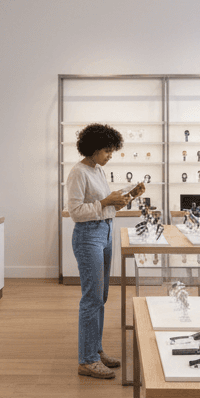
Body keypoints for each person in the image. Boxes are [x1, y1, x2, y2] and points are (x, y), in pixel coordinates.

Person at [65, 123, 145, 379]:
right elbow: (76, 213)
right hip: (88, 235)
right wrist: (106, 201)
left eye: (112, 150)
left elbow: (104, 207)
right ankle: (86, 360)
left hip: (105, 232)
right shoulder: (78, 172)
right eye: (108, 150)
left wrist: (126, 198)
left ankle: (95, 350)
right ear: (94, 148)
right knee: (91, 298)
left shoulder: (98, 170)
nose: (111, 155)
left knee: (101, 297)